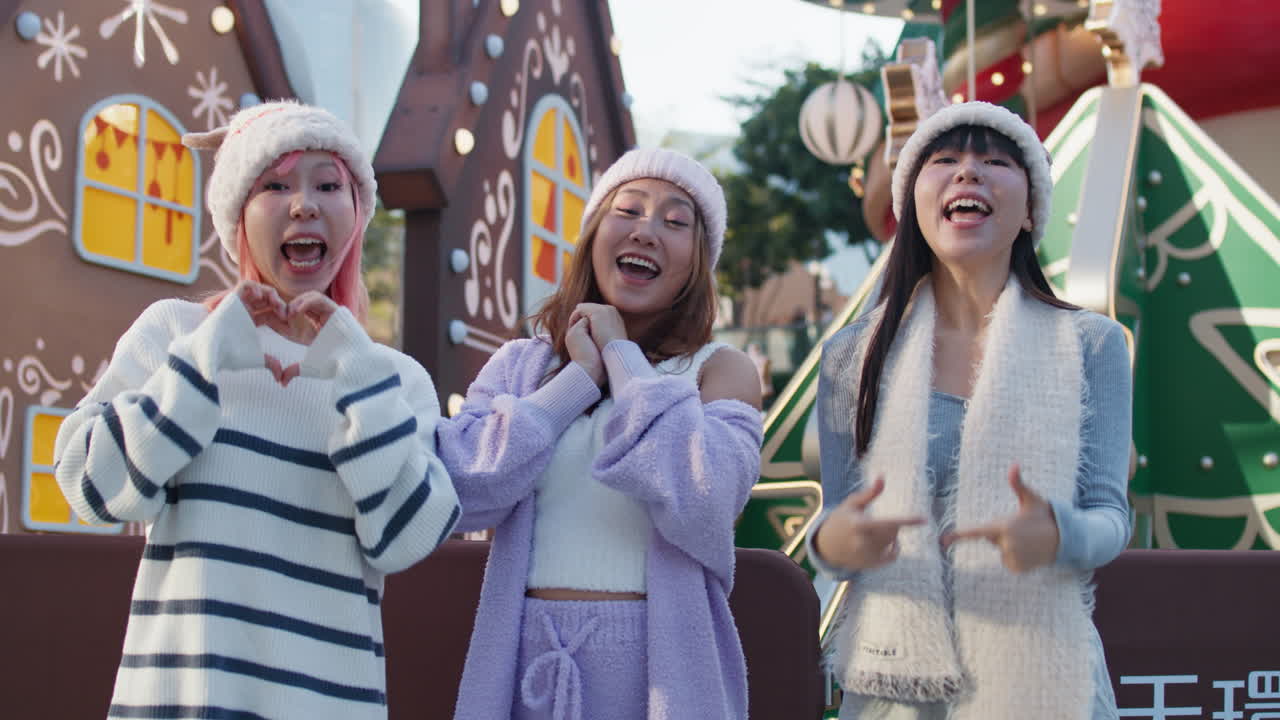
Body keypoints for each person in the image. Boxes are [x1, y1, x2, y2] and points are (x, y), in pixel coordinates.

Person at [52, 100, 460, 719]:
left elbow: (405, 541)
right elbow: (90, 488)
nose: (304, 204)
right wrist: (205, 362)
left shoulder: (393, 380)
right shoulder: (176, 334)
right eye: (275, 185)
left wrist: (355, 373)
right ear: (239, 214)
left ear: (355, 215)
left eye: (329, 185)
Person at [805, 102, 1131, 720]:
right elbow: (836, 524)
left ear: (1031, 207)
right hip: (891, 694)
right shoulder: (851, 356)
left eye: (995, 161)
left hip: (1047, 684)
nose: (968, 174)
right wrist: (838, 543)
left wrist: (1060, 535)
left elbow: (1111, 515)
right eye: (945, 160)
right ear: (910, 203)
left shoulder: (1092, 344)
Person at [437, 148, 764, 720]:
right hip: (525, 670)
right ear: (593, 236)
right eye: (629, 210)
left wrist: (620, 357)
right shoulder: (522, 366)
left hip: (659, 682)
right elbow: (461, 489)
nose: (647, 231)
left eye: (675, 220)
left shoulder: (719, 369)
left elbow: (705, 502)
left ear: (698, 262)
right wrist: (576, 382)